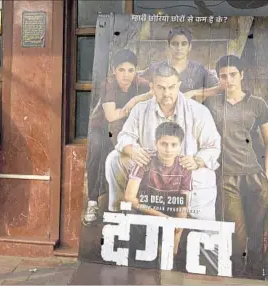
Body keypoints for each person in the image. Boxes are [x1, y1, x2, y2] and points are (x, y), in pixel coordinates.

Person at [105, 62, 221, 274]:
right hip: (151, 174)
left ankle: (205, 249)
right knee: (114, 158)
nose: (166, 92)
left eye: (171, 87)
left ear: (178, 85)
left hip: (184, 172)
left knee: (205, 176)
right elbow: (124, 137)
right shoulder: (141, 109)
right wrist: (133, 150)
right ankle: (116, 215)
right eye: (161, 87)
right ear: (152, 86)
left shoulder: (198, 111)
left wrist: (197, 161)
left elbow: (213, 147)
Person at [203, 55, 268, 278]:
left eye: (233, 74)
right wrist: (211, 91)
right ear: (218, 79)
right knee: (237, 235)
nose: (229, 80)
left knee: (257, 231)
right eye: (223, 76)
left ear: (242, 75)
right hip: (227, 177)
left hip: (255, 177)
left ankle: (256, 275)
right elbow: (184, 99)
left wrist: (267, 175)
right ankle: (239, 277)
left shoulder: (257, 104)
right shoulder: (211, 104)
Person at [83, 49, 151, 225]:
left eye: (130, 70)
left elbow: (154, 93)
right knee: (97, 151)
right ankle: (92, 202)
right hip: (101, 127)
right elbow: (111, 116)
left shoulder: (141, 84)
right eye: (121, 70)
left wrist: (139, 98)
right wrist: (133, 102)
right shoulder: (108, 84)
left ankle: (127, 204)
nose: (126, 75)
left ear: (136, 71)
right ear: (114, 70)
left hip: (124, 129)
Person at [124, 122, 192, 257]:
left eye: (174, 145)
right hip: (146, 210)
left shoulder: (184, 165)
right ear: (156, 143)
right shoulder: (146, 159)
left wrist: (176, 234)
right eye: (164, 144)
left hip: (169, 212)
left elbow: (183, 205)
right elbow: (129, 197)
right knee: (128, 213)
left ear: (180, 146)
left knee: (187, 234)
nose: (168, 149)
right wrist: (163, 218)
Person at [140, 27, 220, 101]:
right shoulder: (155, 68)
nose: (179, 48)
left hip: (189, 113)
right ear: (168, 46)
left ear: (189, 47)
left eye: (184, 44)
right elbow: (135, 80)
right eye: (175, 44)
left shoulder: (198, 70)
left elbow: (219, 87)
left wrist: (194, 92)